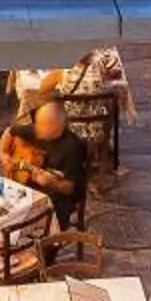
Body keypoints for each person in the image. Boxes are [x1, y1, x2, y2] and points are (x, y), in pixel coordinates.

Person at [26, 97, 93, 228]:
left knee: (30, 222)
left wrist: (50, 182)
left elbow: (70, 188)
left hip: (63, 198)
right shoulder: (41, 133)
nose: (36, 128)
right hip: (39, 189)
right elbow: (11, 131)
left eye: (41, 124)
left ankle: (49, 243)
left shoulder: (72, 148)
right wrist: (4, 154)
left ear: (54, 126)